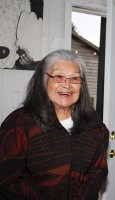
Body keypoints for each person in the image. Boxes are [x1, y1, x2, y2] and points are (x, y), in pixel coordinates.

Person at [0, 49, 109, 199]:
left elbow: (97, 173)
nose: (67, 85)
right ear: (43, 81)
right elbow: (7, 181)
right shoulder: (20, 123)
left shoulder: (95, 128)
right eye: (59, 77)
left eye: (75, 78)